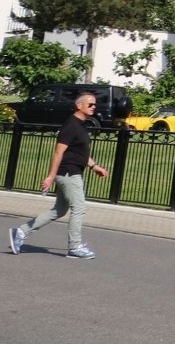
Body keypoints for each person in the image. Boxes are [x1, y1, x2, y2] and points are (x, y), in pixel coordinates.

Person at [8, 90, 109, 259]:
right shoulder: (71, 125)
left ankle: (20, 232)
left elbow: (80, 152)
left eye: (95, 105)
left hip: (70, 172)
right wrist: (50, 176)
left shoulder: (80, 125)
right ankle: (75, 247)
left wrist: (94, 166)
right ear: (79, 105)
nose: (94, 107)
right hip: (69, 173)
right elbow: (58, 152)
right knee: (79, 208)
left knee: (59, 210)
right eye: (90, 104)